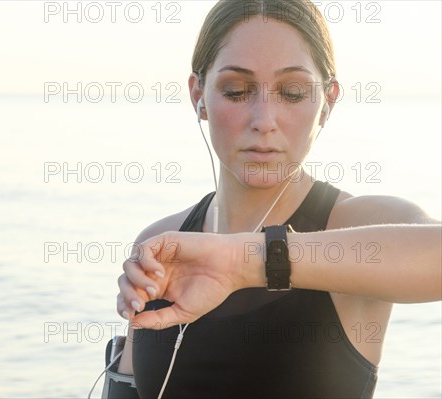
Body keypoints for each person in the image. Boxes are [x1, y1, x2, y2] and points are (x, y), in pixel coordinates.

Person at [110, 0, 440, 398]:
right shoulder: (164, 239)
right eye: (236, 91)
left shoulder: (355, 224)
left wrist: (244, 261)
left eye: (293, 92)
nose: (264, 120)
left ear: (327, 102)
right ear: (198, 94)